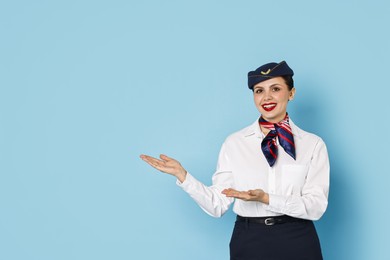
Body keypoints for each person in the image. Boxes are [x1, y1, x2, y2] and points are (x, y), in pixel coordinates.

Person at [140, 61, 329, 260]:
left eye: (275, 89)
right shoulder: (234, 143)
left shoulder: (312, 144)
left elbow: (315, 207)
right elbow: (217, 205)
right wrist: (183, 176)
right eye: (259, 91)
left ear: (291, 93)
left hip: (297, 238)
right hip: (249, 240)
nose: (266, 97)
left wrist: (266, 198)